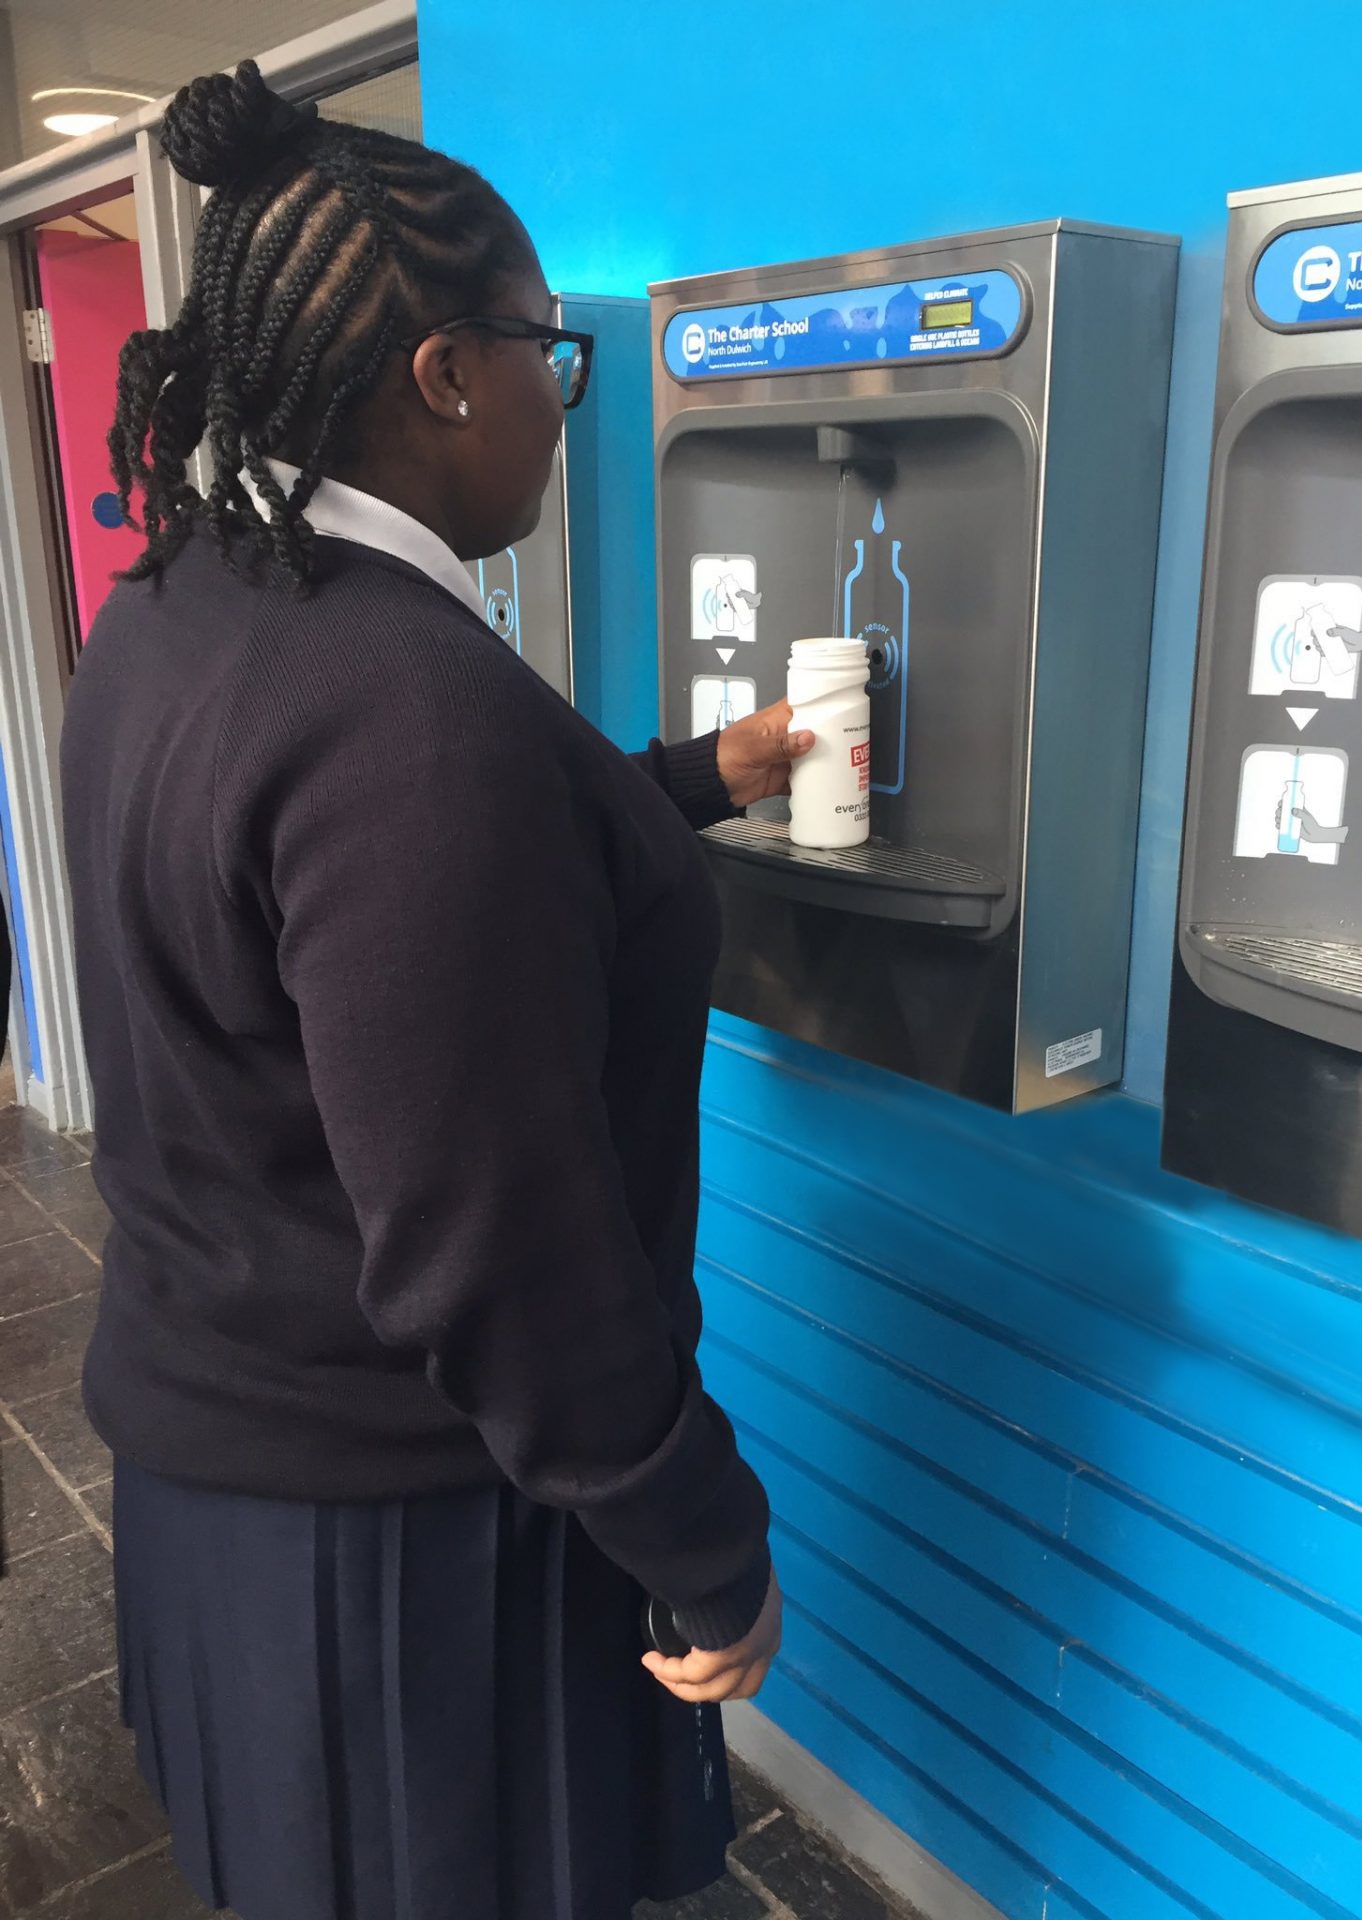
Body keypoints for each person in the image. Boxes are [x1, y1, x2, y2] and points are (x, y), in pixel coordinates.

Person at [61, 62, 813, 1920]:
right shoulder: (411, 710)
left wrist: (706, 776)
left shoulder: (173, 618)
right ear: (442, 374)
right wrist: (707, 1543)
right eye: (545, 361)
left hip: (217, 1481)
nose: (560, 413)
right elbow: (503, 1254)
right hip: (400, 1557)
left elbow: (392, 922)